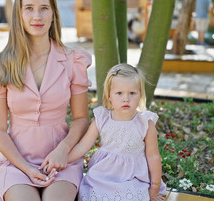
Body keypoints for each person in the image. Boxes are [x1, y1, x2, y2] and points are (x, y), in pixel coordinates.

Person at [0, 0, 91, 201]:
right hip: (16, 162)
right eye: (29, 8)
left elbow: (81, 118)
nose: (37, 16)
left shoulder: (74, 61)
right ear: (19, 14)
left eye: (44, 8)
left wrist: (63, 150)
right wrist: (26, 168)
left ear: (53, 14)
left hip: (62, 160)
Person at [64, 63, 167, 201]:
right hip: (103, 175)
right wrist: (63, 161)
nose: (126, 98)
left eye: (132, 93)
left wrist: (154, 188)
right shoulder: (102, 118)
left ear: (140, 94)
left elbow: (153, 157)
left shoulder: (145, 123)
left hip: (133, 176)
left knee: (132, 196)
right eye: (119, 93)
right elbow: (83, 146)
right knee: (96, 195)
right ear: (109, 95)